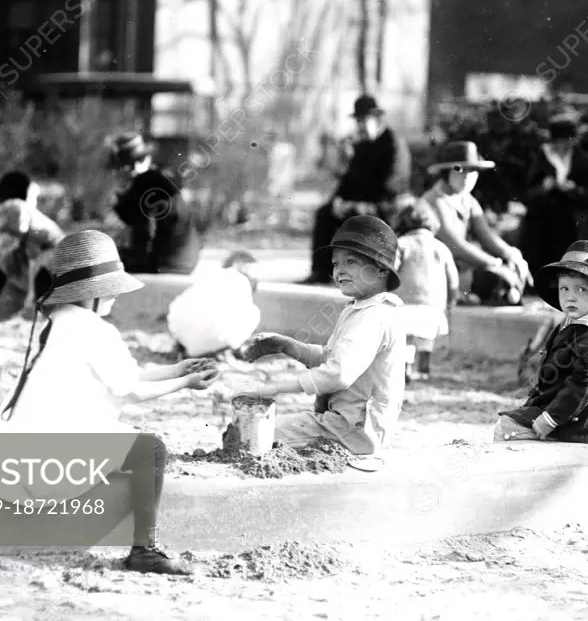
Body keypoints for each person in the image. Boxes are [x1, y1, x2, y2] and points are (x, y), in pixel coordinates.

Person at [0, 230, 219, 575]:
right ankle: (145, 549)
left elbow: (125, 374)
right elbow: (133, 392)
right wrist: (186, 382)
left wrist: (175, 370)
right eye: (112, 287)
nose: (117, 295)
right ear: (92, 291)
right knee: (150, 449)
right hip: (49, 459)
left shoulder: (58, 322)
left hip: (14, 453)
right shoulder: (97, 330)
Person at [242, 215, 406, 471]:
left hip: (353, 431)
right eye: (335, 263)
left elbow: (339, 373)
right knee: (260, 432)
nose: (339, 270)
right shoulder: (361, 308)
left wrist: (274, 387)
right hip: (345, 423)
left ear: (382, 269)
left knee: (252, 437)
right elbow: (332, 357)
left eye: (351, 262)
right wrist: (288, 346)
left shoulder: (374, 316)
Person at [493, 241, 588, 444]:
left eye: (581, 290)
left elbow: (582, 387)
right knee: (508, 421)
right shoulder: (573, 324)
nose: (570, 297)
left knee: (506, 429)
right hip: (564, 407)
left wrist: (550, 419)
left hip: (585, 422)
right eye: (564, 289)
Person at [300, 96, 412, 284]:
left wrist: (357, 204)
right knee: (325, 213)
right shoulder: (362, 146)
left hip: (386, 206)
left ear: (377, 119)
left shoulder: (394, 144)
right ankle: (320, 271)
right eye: (358, 121)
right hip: (360, 205)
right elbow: (349, 181)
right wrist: (338, 201)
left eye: (363, 121)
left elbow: (391, 186)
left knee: (364, 214)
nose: (360, 126)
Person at [422, 141, 530, 305]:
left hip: (463, 268)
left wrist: (510, 253)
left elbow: (486, 235)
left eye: (472, 170)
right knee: (498, 278)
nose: (466, 175)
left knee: (510, 275)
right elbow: (455, 245)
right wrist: (495, 263)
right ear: (446, 172)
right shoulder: (435, 201)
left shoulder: (468, 200)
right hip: (438, 270)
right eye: (459, 169)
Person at [519, 114, 588, 280]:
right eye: (558, 142)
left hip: (574, 221)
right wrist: (544, 186)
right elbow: (527, 194)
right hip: (545, 222)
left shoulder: (585, 161)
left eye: (566, 141)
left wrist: (573, 189)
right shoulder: (542, 158)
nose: (562, 146)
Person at [109, 133, 203, 275]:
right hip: (185, 262)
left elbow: (143, 241)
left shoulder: (144, 184)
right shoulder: (158, 180)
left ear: (125, 166)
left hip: (165, 264)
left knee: (101, 259)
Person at [393, 200, 459, 382]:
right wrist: (452, 300)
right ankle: (423, 369)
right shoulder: (441, 247)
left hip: (404, 302)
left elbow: (391, 269)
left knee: (405, 339)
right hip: (433, 305)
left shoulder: (401, 244)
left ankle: (405, 369)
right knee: (426, 338)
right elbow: (453, 279)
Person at [0, 176, 64, 317]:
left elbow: (34, 265)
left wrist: (29, 297)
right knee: (5, 260)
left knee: (42, 265)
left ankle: (38, 309)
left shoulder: (33, 229)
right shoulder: (11, 208)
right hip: (39, 249)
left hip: (56, 252)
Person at [167, 251, 262, 358]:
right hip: (208, 340)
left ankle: (183, 346)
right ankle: (216, 350)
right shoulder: (240, 282)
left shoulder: (212, 277)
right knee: (253, 314)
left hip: (179, 328)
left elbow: (179, 304)